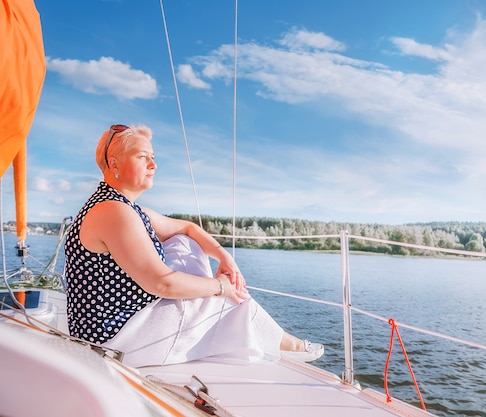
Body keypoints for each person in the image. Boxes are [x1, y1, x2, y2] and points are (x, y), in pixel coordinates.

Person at [63, 123, 323, 367]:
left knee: (184, 242)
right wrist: (220, 288)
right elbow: (162, 283)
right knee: (230, 301)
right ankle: (287, 343)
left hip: (126, 318)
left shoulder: (124, 207)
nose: (153, 164)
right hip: (111, 340)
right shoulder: (112, 211)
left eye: (153, 157)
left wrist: (225, 258)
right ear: (114, 162)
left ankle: (202, 303)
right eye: (143, 157)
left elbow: (189, 228)